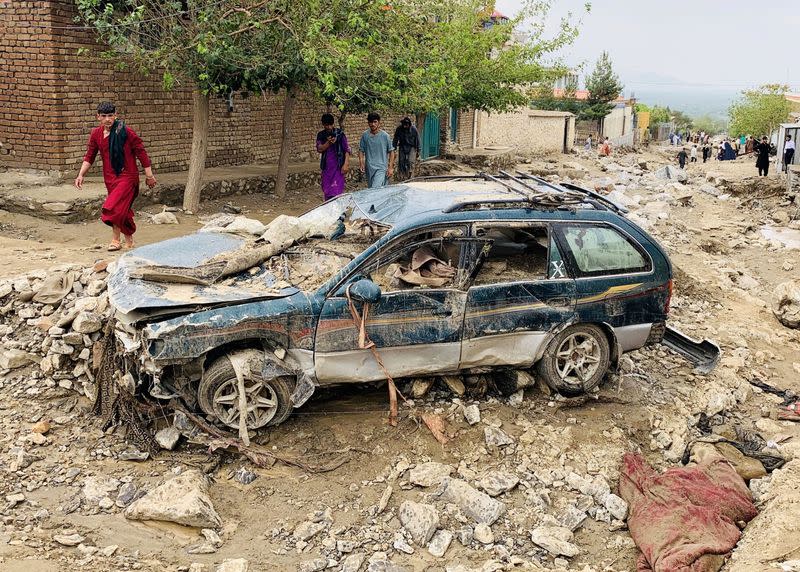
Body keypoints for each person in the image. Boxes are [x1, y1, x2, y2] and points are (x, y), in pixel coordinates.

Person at [74, 102, 156, 251]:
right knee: (122, 208)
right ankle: (129, 240)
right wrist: (80, 175)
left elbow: (141, 152)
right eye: (104, 116)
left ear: (115, 115)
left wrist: (149, 175)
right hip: (110, 178)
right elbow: (89, 156)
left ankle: (115, 240)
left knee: (114, 207)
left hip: (128, 176)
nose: (107, 119)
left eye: (110, 116)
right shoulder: (96, 134)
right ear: (98, 117)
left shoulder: (125, 132)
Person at [315, 113, 351, 201]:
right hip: (326, 168)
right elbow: (320, 149)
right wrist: (329, 143)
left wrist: (346, 164)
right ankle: (329, 211)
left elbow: (346, 150)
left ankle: (337, 211)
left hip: (338, 167)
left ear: (333, 124)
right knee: (327, 190)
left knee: (336, 192)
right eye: (326, 125)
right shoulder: (321, 135)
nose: (329, 127)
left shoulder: (340, 134)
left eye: (330, 125)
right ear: (323, 125)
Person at [358, 112, 395, 188]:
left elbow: (391, 152)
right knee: (374, 190)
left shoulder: (385, 136)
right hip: (369, 168)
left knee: (375, 189)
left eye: (375, 122)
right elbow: (361, 150)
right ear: (368, 123)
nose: (373, 124)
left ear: (379, 122)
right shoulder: (365, 135)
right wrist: (361, 163)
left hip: (381, 168)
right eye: (371, 122)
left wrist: (390, 167)